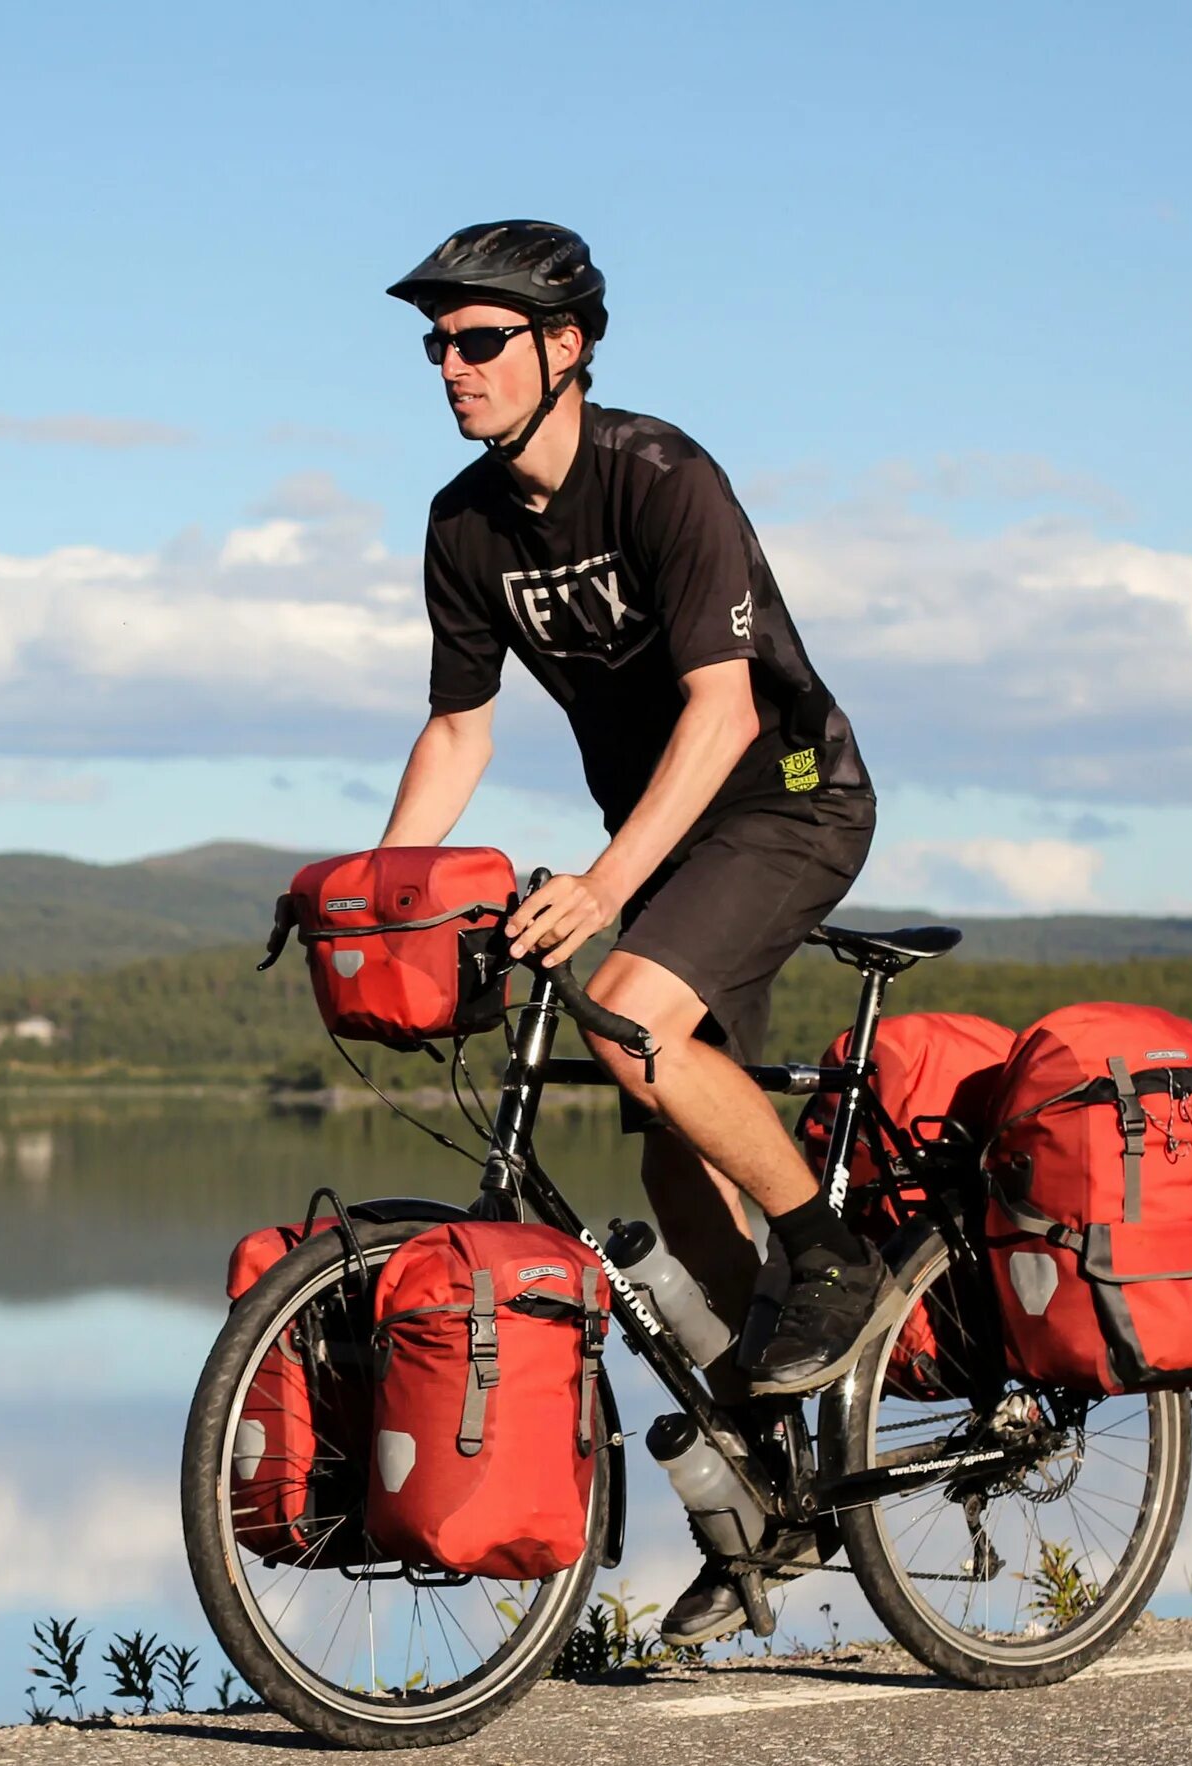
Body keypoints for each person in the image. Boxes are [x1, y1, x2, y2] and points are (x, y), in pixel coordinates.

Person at [373, 219, 888, 1641]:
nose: (450, 367)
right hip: (665, 827)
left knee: (634, 1020)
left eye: (478, 341)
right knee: (669, 1156)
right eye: (436, 344)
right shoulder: (463, 526)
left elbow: (723, 711)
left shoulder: (662, 479)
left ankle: (829, 1261)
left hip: (783, 795)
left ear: (567, 346)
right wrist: (388, 894)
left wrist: (602, 888)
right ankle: (770, 1472)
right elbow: (459, 727)